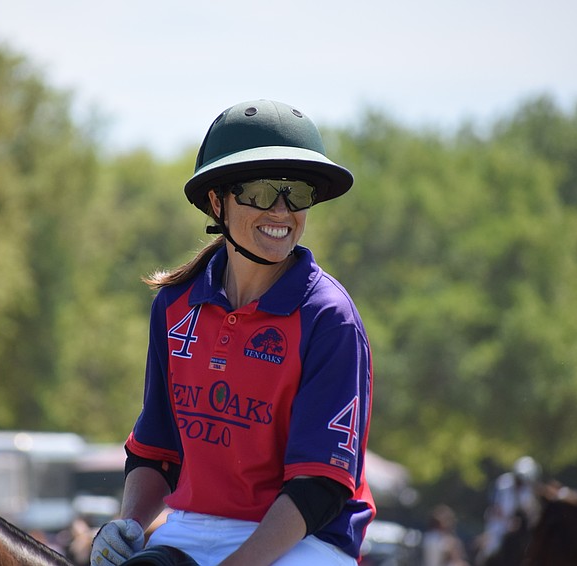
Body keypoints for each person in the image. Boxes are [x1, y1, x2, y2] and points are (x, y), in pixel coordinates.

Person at [91, 99, 375, 566]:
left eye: (297, 193)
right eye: (263, 192)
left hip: (302, 540)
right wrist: (130, 525)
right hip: (190, 528)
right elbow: (158, 449)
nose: (282, 211)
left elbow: (318, 487)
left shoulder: (330, 318)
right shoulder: (174, 304)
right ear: (217, 201)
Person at [476, 456, 541, 564]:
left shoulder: (528, 491)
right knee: (492, 546)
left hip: (520, 525)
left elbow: (530, 512)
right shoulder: (503, 484)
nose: (520, 483)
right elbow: (496, 508)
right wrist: (509, 522)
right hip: (500, 521)